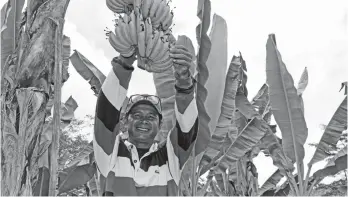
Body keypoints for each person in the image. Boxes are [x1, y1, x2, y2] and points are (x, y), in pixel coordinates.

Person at [93, 44, 199, 196]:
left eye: (151, 117)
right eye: (136, 115)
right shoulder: (110, 154)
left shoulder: (170, 159)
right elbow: (106, 113)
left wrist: (184, 80)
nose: (144, 120)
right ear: (124, 121)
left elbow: (187, 128)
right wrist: (125, 61)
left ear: (160, 124)